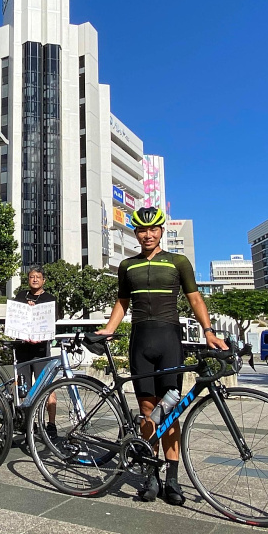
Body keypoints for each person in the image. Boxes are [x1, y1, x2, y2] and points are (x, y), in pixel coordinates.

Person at [97, 206, 227, 506]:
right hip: (140, 340)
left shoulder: (178, 262)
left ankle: (172, 479)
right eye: (142, 230)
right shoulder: (127, 265)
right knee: (146, 410)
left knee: (169, 412)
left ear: (161, 231)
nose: (147, 234)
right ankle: (150, 476)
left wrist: (208, 331)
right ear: (136, 233)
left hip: (170, 339)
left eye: (153, 229)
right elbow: (122, 302)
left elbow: (195, 297)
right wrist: (107, 330)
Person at [13, 265, 58, 438]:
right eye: (32, 276)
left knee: (47, 387)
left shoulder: (50, 299)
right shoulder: (20, 297)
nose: (35, 279)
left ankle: (51, 424)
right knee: (24, 389)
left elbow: (53, 323)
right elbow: (14, 320)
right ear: (28, 279)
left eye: (38, 277)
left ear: (43, 280)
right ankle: (28, 423)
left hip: (41, 351)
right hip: (22, 349)